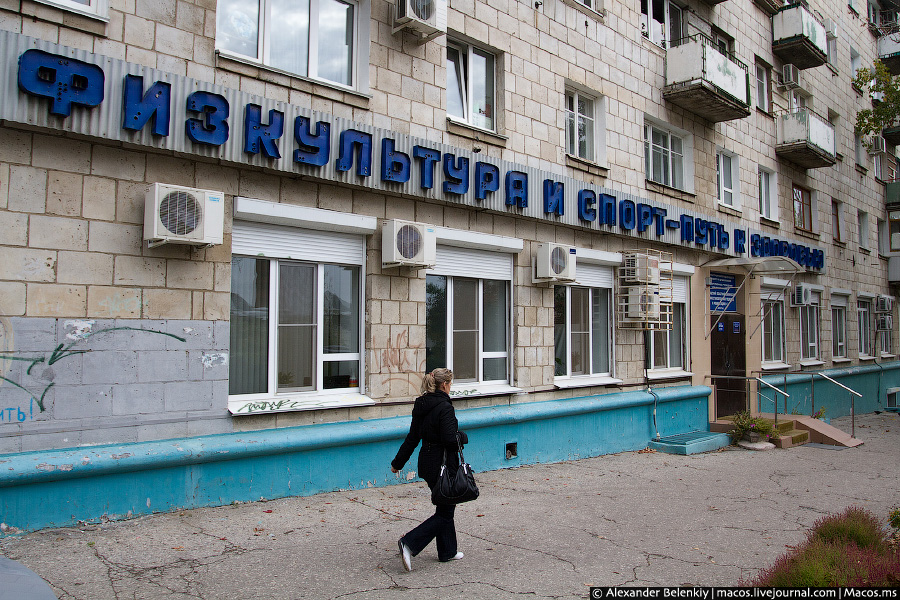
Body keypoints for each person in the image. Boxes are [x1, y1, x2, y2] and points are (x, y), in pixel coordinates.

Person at [390, 367, 468, 571]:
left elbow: (412, 438)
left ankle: (448, 551)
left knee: (444, 505)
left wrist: (397, 463)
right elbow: (451, 440)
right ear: (444, 385)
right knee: (445, 512)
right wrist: (463, 437)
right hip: (443, 465)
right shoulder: (445, 407)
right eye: (450, 384)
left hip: (426, 463)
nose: (451, 388)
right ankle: (409, 543)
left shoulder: (421, 405)